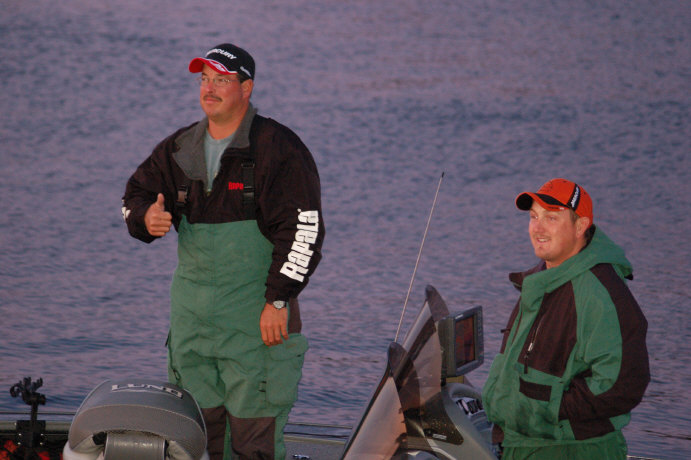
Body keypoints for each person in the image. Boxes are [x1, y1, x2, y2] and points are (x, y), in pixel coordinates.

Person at [121, 43, 324, 460]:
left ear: (246, 88)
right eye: (204, 79)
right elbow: (134, 195)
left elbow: (304, 231)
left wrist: (278, 299)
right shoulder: (179, 148)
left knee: (253, 442)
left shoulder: (278, 148)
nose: (209, 89)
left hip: (255, 323)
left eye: (221, 80)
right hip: (192, 328)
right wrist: (145, 218)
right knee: (194, 439)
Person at [482, 178, 650, 460]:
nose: (538, 228)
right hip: (523, 444)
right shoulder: (542, 281)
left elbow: (623, 384)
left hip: (571, 450)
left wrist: (546, 411)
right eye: (534, 217)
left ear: (581, 225)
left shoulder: (598, 292)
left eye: (551, 218)